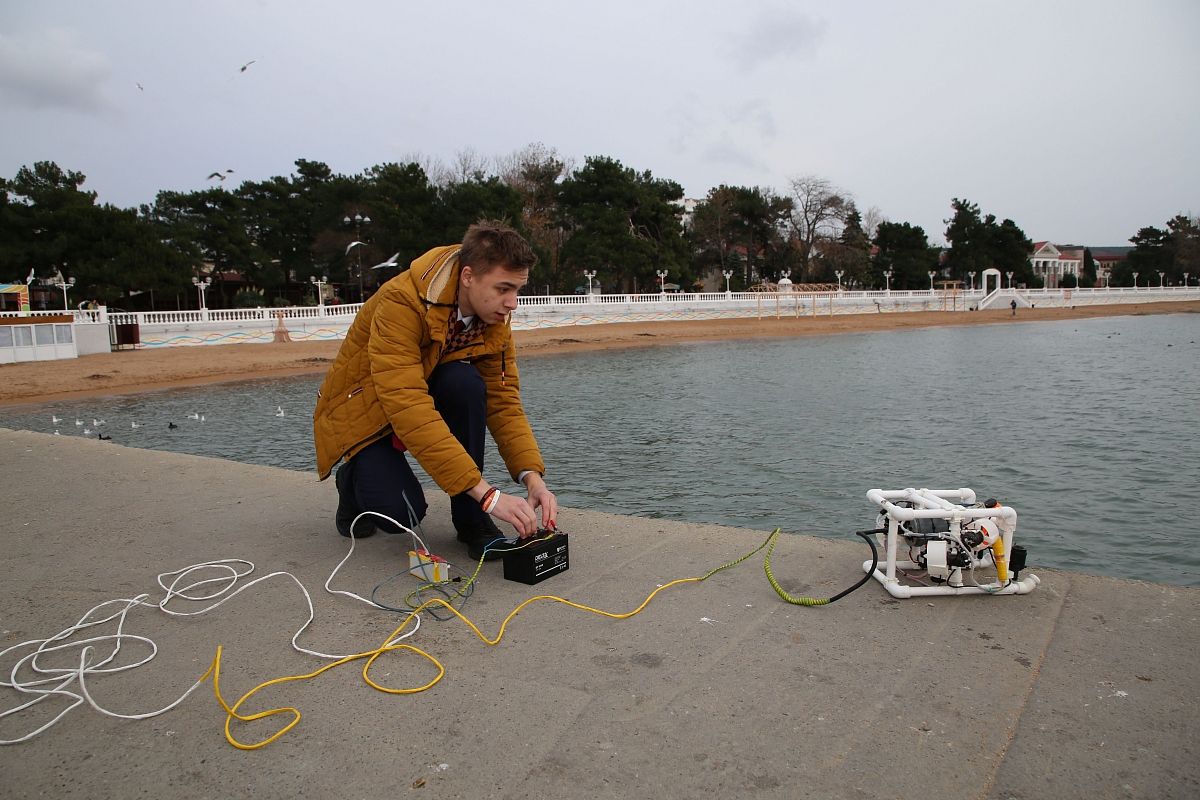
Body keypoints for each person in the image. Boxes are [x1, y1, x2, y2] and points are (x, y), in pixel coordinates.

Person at [313, 221, 557, 561]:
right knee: (401, 513)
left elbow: (504, 403)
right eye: (503, 288)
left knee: (467, 385)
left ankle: (472, 522)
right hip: (367, 412)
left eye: (517, 290)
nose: (513, 303)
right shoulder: (401, 302)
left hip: (416, 396)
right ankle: (351, 481)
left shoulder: (494, 318)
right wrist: (490, 495)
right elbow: (409, 406)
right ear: (468, 276)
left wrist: (533, 478)